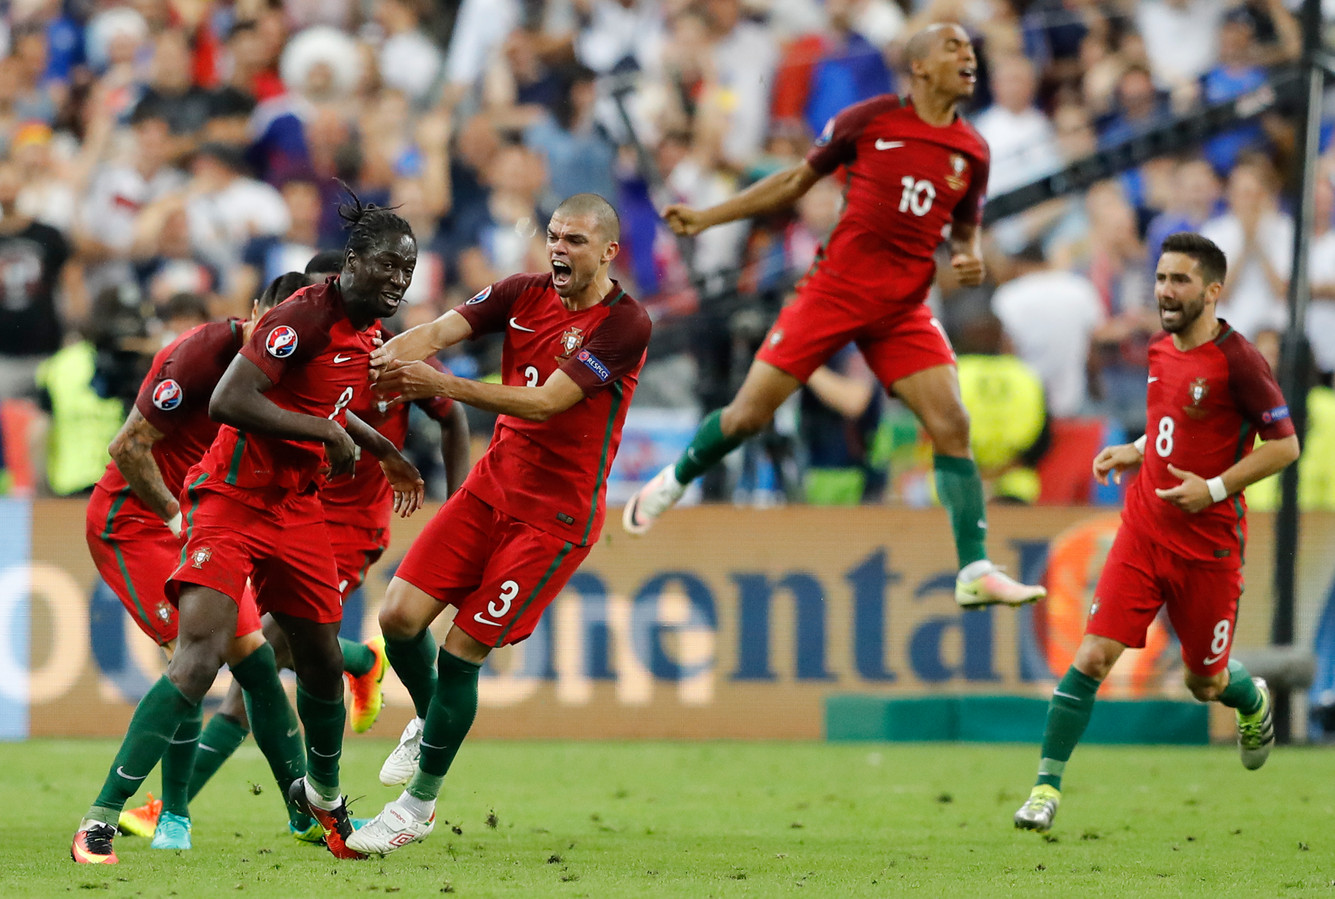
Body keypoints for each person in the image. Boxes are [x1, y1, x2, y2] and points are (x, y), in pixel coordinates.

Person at [621, 23, 1044, 608]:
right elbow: (797, 180)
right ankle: (674, 480)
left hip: (901, 307)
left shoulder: (972, 149)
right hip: (833, 292)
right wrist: (710, 216)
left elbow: (965, 227)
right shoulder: (870, 119)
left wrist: (969, 256)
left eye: (971, 50)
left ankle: (972, 568)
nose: (969, 56)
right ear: (919, 67)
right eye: (954, 48)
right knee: (747, 415)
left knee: (953, 423)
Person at [71, 195, 426, 865]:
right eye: (387, 266)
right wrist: (324, 431)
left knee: (306, 660)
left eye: (408, 270)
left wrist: (384, 450)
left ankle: (322, 799)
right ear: (352, 263)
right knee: (199, 654)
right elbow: (231, 400)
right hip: (224, 502)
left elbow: (328, 403)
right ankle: (104, 817)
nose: (398, 281)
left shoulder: (363, 334)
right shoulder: (294, 321)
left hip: (296, 509)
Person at [344, 192, 651, 855]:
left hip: (554, 516)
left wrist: (441, 385)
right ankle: (431, 723)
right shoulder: (520, 292)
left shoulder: (625, 326)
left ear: (608, 251)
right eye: (553, 236)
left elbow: (546, 403)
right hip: (492, 487)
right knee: (397, 618)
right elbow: (433, 333)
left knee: (461, 651)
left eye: (574, 240)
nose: (559, 250)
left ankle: (415, 807)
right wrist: (374, 360)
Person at [1013, 233, 1300, 834]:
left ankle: (1252, 700)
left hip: (1209, 546)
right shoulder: (1158, 349)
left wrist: (1214, 488)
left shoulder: (1240, 361)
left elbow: (1284, 445)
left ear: (1213, 291)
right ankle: (1045, 787)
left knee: (1204, 680)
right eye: (1161, 279)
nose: (1166, 292)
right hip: (1144, 531)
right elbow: (1172, 423)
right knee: (1092, 654)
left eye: (1180, 281)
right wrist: (1137, 448)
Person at [87, 273, 318, 852]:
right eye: (273, 317)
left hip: (199, 522)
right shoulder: (201, 354)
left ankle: (305, 813)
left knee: (257, 664)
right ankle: (159, 818)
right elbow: (127, 447)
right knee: (192, 656)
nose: (279, 333)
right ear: (255, 309)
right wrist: (174, 517)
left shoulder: (285, 369)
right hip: (135, 521)